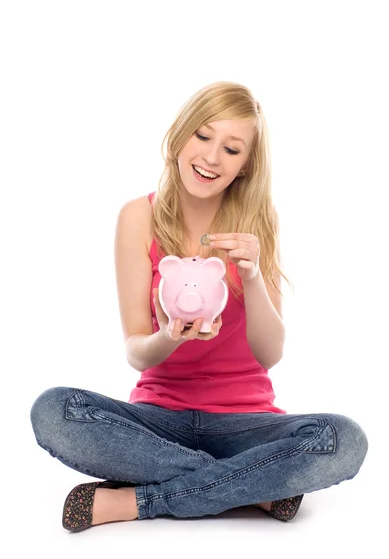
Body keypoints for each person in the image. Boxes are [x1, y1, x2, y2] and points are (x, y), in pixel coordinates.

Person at [30, 81, 368, 533]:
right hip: (155, 423)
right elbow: (135, 351)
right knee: (53, 410)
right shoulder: (138, 217)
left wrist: (251, 276)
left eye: (231, 149)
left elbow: (271, 354)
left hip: (246, 426)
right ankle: (252, 485)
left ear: (245, 165)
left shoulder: (255, 224)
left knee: (343, 440)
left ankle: (137, 500)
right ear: (180, 134)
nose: (211, 157)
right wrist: (168, 335)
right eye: (203, 136)